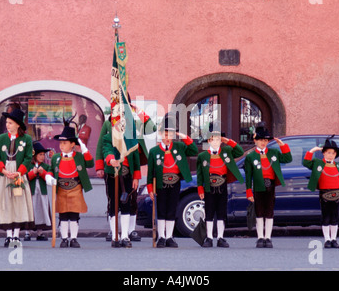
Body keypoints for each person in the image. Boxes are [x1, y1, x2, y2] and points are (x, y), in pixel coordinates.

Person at [96, 103, 156, 242]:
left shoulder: (135, 122)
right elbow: (102, 145)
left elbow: (151, 128)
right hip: (113, 167)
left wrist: (139, 111)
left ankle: (130, 230)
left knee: (131, 199)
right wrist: (100, 165)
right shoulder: (109, 123)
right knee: (113, 199)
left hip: (131, 166)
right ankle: (114, 231)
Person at [147, 116, 198, 248]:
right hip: (160, 184)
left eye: (170, 133)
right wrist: (149, 188)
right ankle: (161, 237)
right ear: (160, 134)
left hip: (175, 182)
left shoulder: (179, 146)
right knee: (161, 210)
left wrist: (184, 137)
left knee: (172, 209)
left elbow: (193, 150)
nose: (167, 136)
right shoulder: (154, 151)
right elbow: (150, 171)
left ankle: (169, 236)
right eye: (165, 133)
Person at [0, 108, 35, 247]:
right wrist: (3, 170)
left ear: (18, 125)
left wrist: (19, 172)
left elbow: (28, 158)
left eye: (10, 123)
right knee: (6, 204)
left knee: (18, 204)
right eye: (7, 123)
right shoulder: (1, 138)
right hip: (5, 174)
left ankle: (16, 235)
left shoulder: (26, 139)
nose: (7, 125)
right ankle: (8, 236)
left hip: (18, 174)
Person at [45, 119, 94, 248]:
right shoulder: (56, 158)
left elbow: (90, 164)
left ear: (73, 144)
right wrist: (49, 178)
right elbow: (50, 170)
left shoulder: (79, 156)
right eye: (60, 142)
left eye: (65, 143)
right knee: (63, 214)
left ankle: (73, 238)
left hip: (75, 187)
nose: (61, 145)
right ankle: (64, 238)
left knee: (74, 214)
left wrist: (84, 149)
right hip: (61, 188)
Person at [196, 125, 244, 248]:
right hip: (209, 187)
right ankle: (209, 237)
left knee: (222, 213)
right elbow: (200, 175)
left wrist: (228, 141)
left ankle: (221, 237)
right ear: (209, 141)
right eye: (213, 139)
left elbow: (240, 151)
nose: (216, 142)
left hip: (222, 185)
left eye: (218, 139)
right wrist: (200, 189)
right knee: (209, 212)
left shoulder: (226, 152)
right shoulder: (203, 156)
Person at [244, 125, 292, 248]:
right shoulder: (250, 156)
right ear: (255, 141)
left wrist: (282, 145)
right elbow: (248, 175)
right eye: (260, 140)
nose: (263, 143)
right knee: (259, 212)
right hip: (258, 186)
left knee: (269, 211)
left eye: (265, 140)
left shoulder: (273, 152)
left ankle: (268, 237)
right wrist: (249, 191)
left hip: (271, 185)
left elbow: (288, 158)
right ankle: (260, 237)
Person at [303, 135, 339, 248]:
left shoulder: (338, 166)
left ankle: (334, 239)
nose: (331, 155)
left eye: (333, 153)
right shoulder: (317, 163)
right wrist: (312, 150)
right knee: (326, 217)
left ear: (336, 155)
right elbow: (306, 163)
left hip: (336, 194)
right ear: (324, 153)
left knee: (335, 217)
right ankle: (327, 239)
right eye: (328, 153)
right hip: (325, 193)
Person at [102, 130, 141, 248]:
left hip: (127, 175)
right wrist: (111, 159)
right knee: (113, 204)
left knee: (126, 204)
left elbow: (135, 158)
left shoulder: (130, 137)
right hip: (112, 175)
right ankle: (115, 236)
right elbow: (106, 150)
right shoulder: (108, 137)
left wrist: (136, 177)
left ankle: (125, 235)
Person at [24, 142, 51, 241]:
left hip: (42, 191)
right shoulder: (28, 165)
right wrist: (33, 173)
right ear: (34, 155)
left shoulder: (46, 166)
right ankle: (28, 232)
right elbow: (25, 178)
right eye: (40, 154)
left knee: (41, 209)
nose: (43, 157)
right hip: (31, 191)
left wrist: (42, 172)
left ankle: (40, 231)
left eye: (43, 154)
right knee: (31, 210)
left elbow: (48, 178)